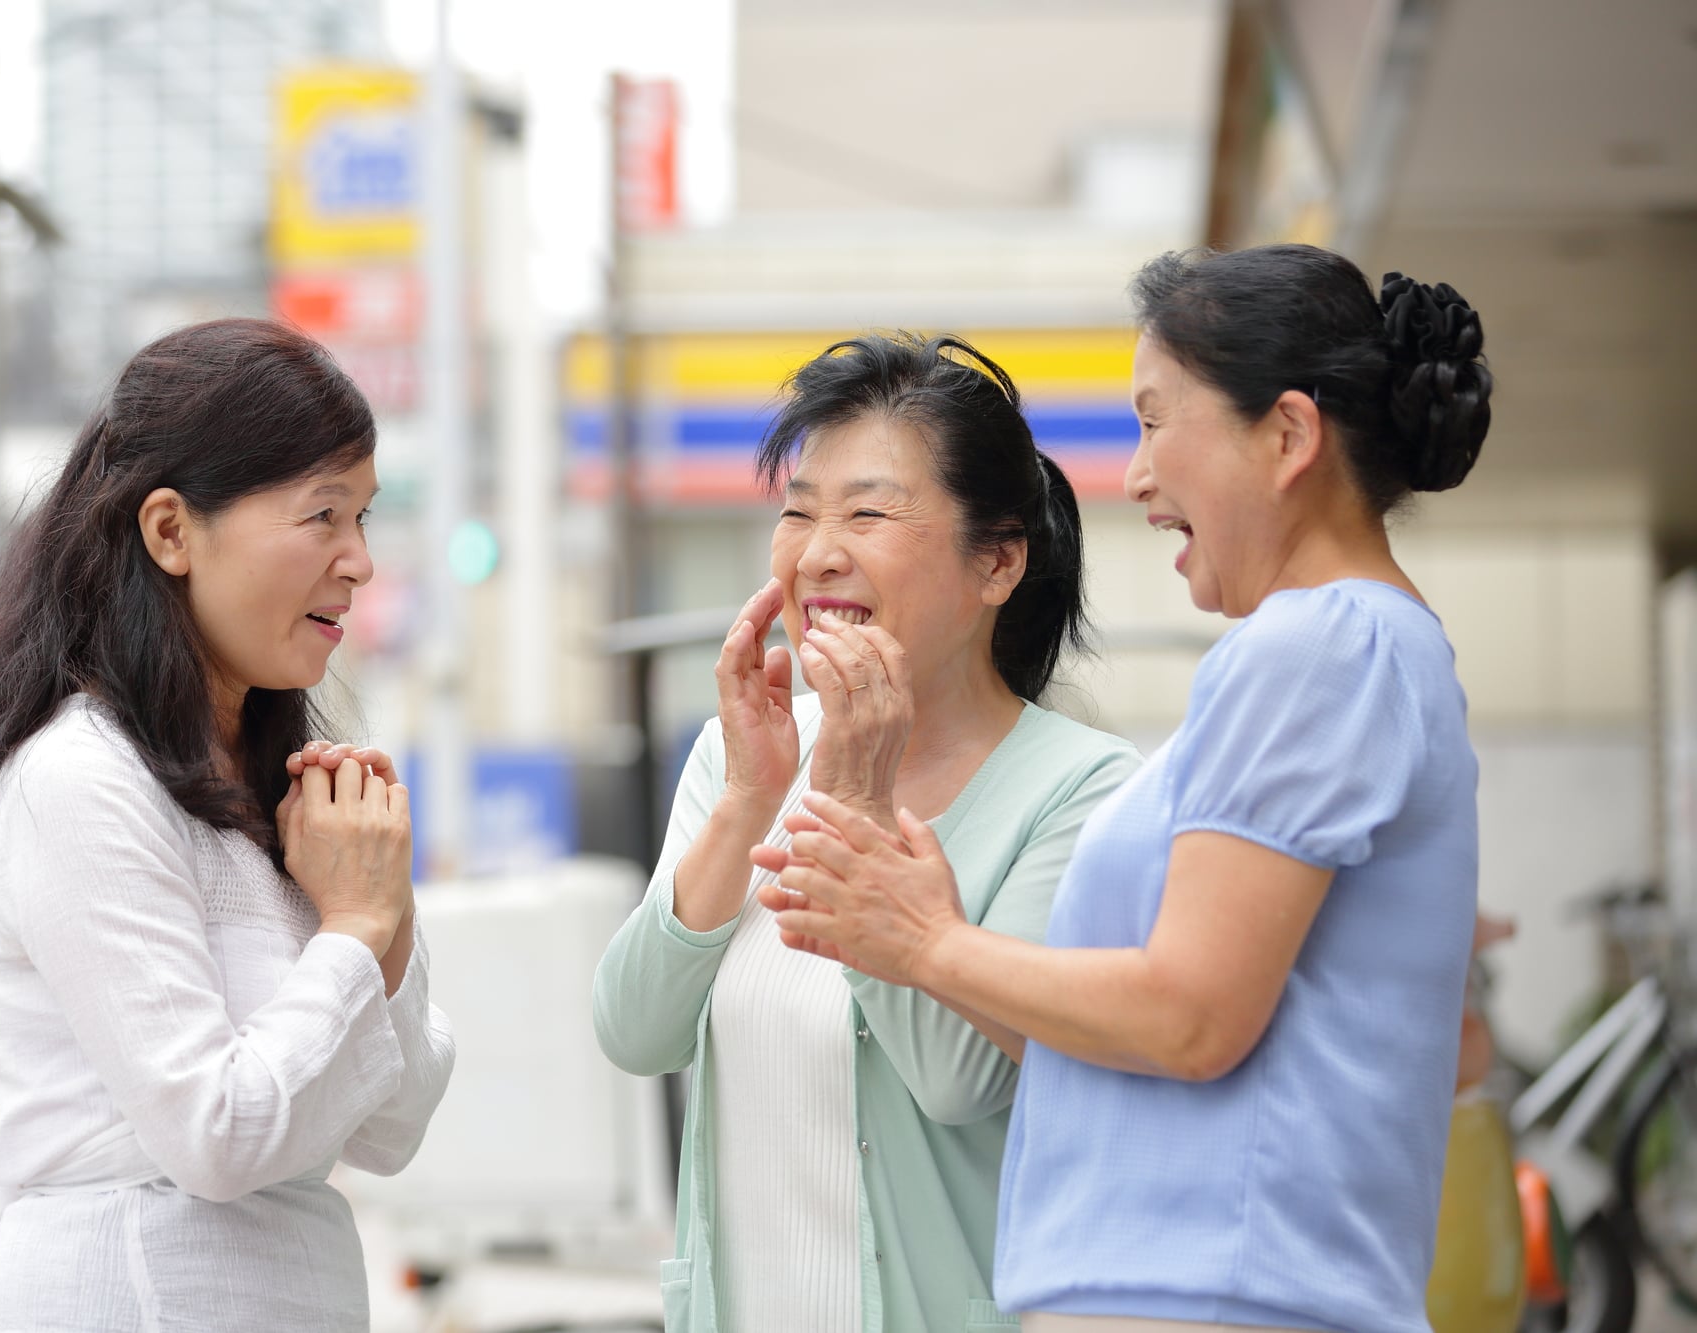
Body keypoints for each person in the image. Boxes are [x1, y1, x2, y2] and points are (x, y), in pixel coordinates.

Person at [759, 246, 1493, 1333]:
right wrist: (929, 939)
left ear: (1286, 436)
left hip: (1218, 1295)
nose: (1135, 474)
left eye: (1155, 422)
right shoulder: (1343, 646)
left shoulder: (1318, 644)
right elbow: (1154, 1025)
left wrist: (924, 944)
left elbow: (1193, 1016)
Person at [0, 319, 454, 1332]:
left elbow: (393, 1126)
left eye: (364, 517)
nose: (359, 562)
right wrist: (354, 930)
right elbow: (217, 1136)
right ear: (169, 531)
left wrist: (383, 917)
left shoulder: (276, 798)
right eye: (322, 515)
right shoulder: (78, 779)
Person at [594, 333, 1140, 1332]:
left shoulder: (1081, 791)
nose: (817, 550)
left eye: (868, 512)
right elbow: (634, 1032)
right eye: (798, 511)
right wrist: (751, 800)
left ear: (997, 562)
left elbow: (953, 1079)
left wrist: (850, 797)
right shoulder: (740, 758)